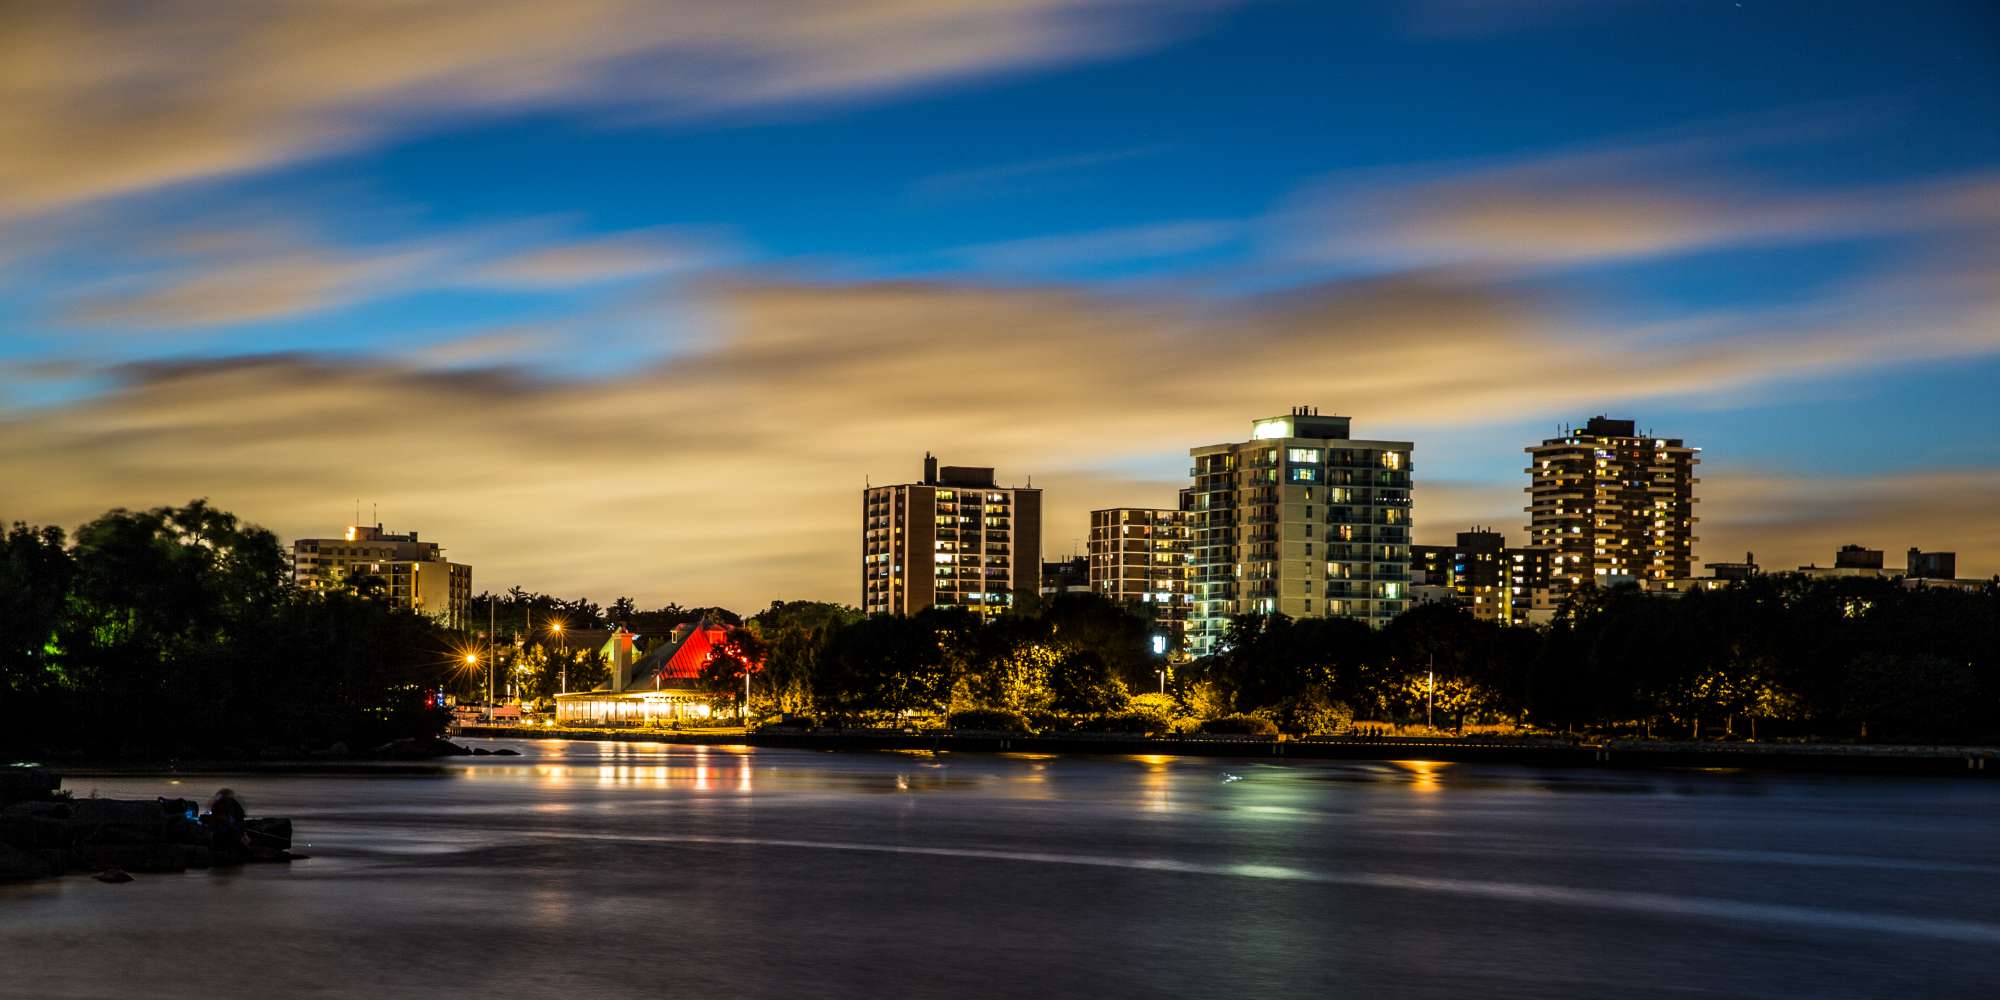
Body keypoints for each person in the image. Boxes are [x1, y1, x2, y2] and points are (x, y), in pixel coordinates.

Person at [204, 788, 248, 855]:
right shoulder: (220, 804)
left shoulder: (229, 804)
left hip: (228, 829)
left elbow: (239, 816)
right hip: (224, 829)